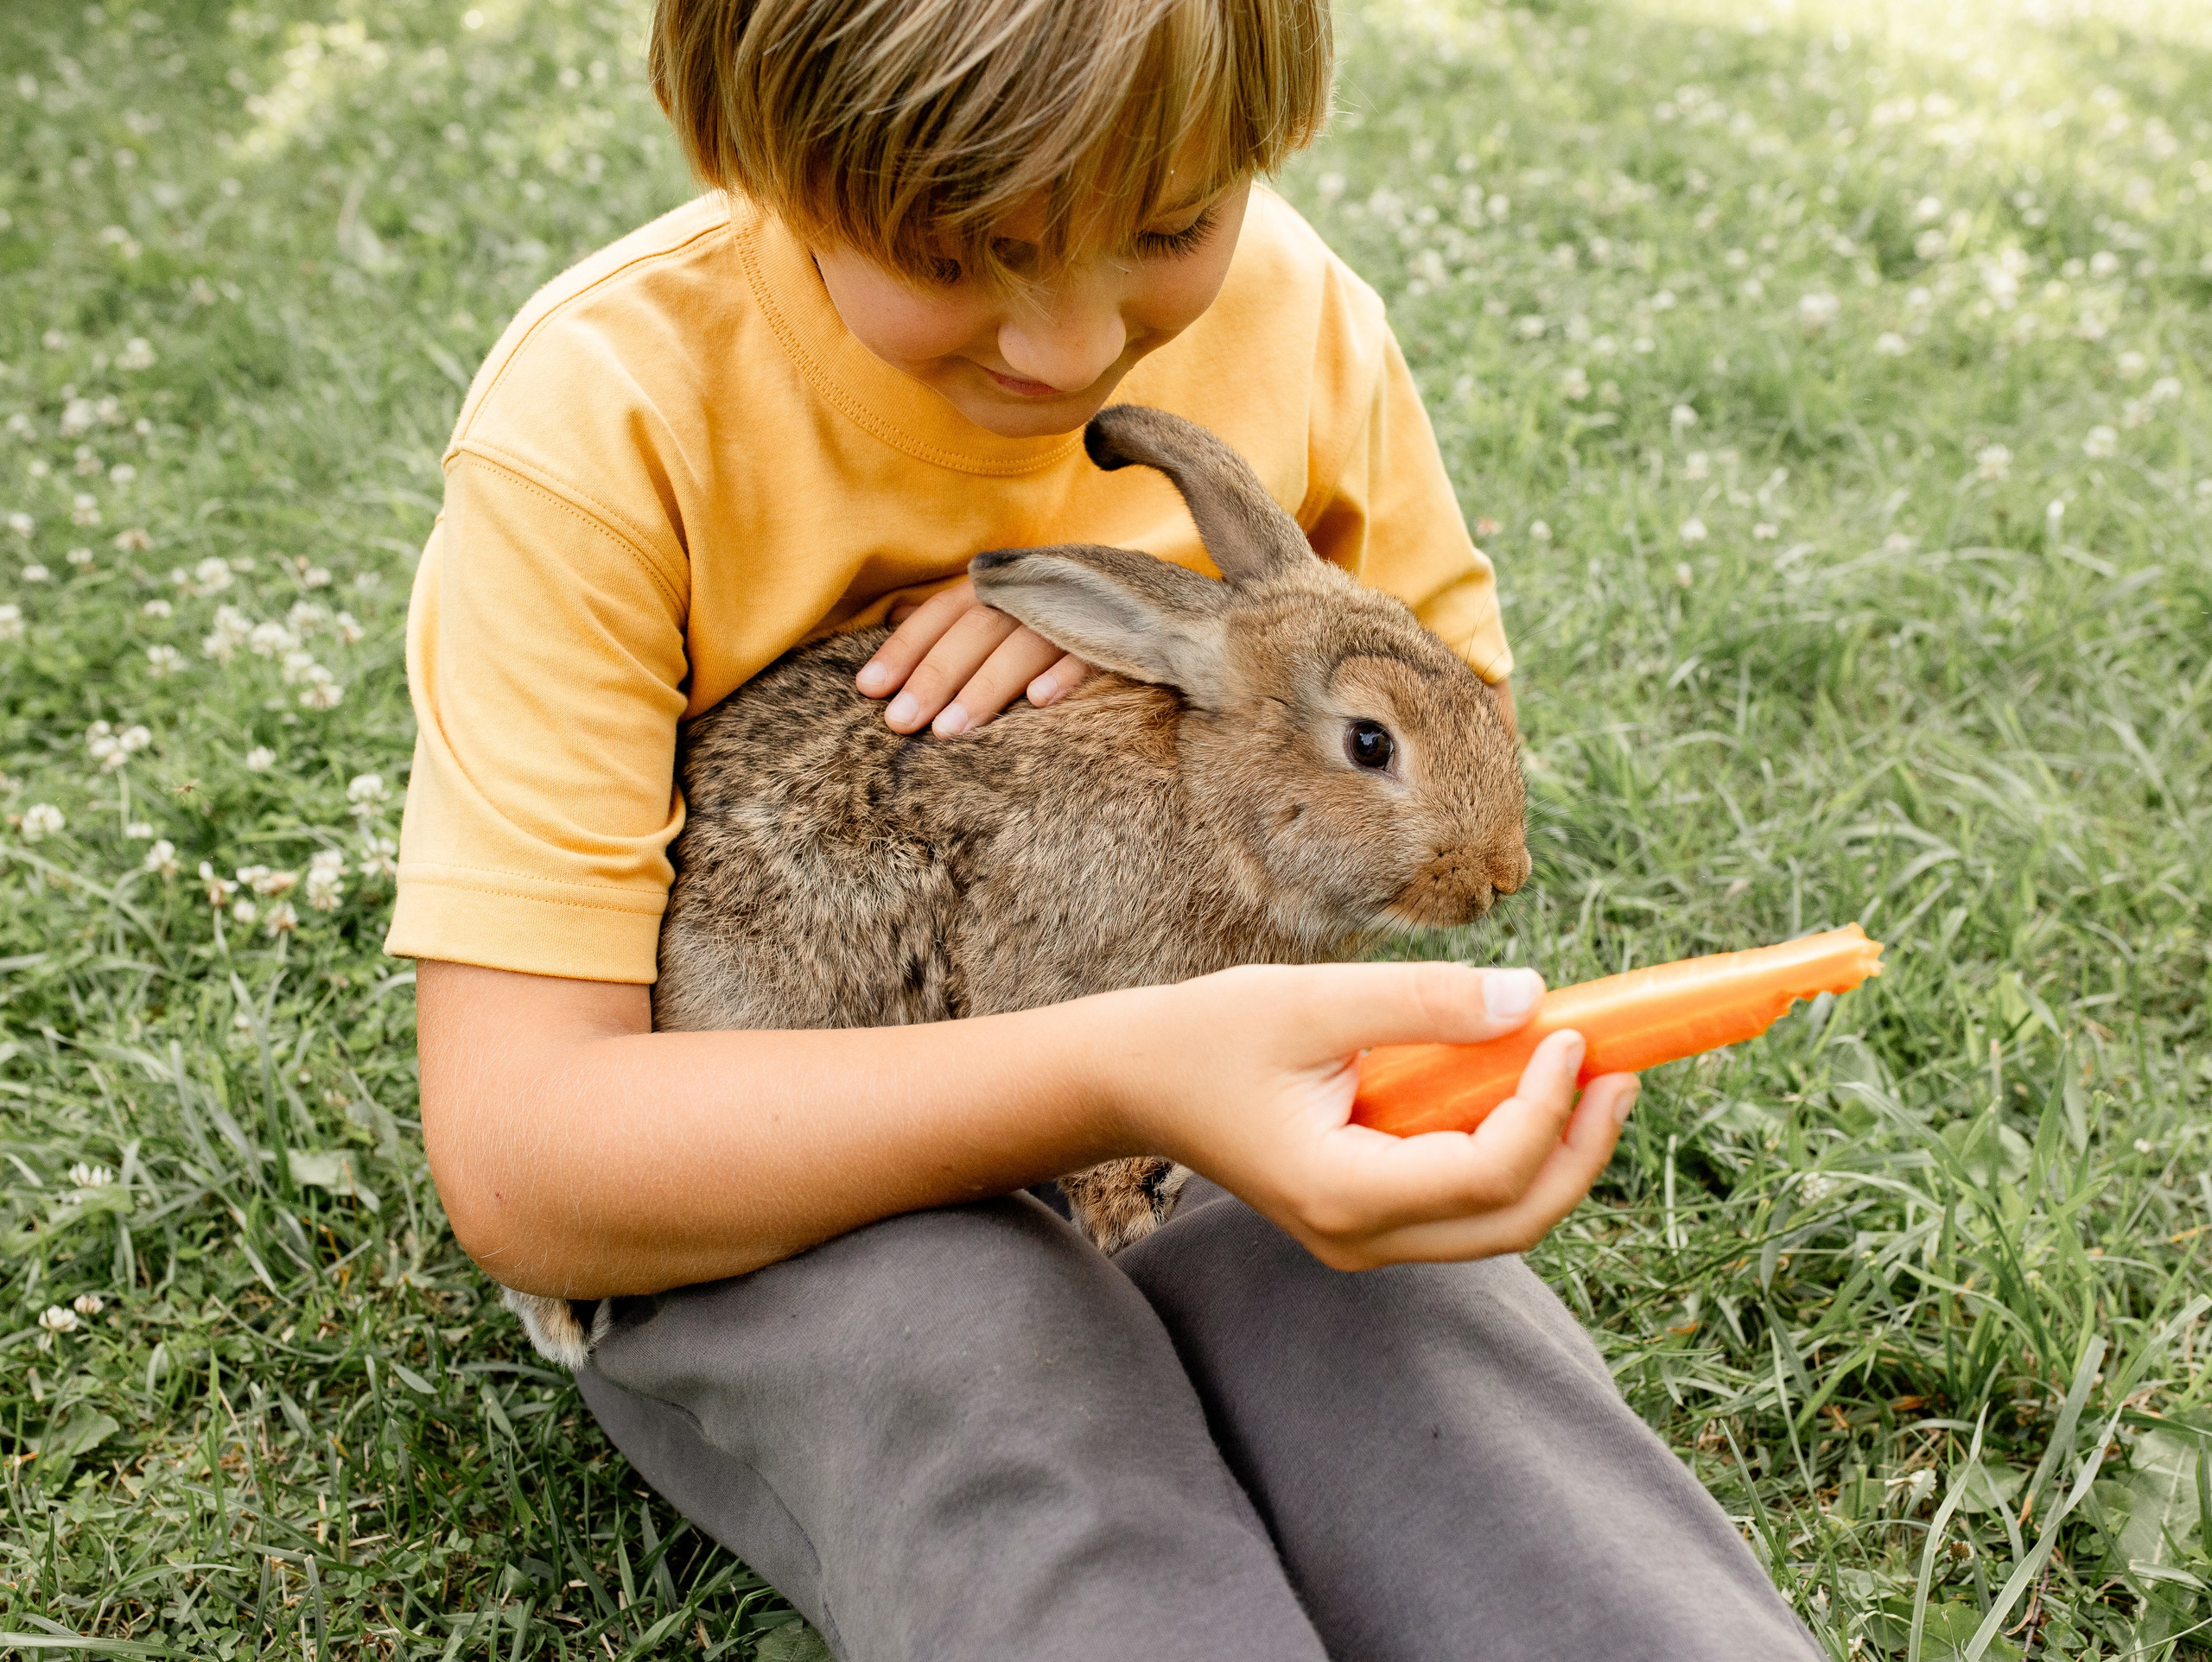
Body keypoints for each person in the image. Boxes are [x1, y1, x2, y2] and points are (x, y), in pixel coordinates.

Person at [397, 1, 1823, 1655]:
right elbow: (531, 1156)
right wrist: (1120, 1076)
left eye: (1168, 224)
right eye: (957, 245)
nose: (1072, 350)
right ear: (760, 154)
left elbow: (1439, 718)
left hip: (1228, 1096)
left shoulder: (1299, 322)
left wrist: (1226, 654)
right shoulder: (601, 419)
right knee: (1013, 1414)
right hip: (775, 1161)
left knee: (1446, 1395)